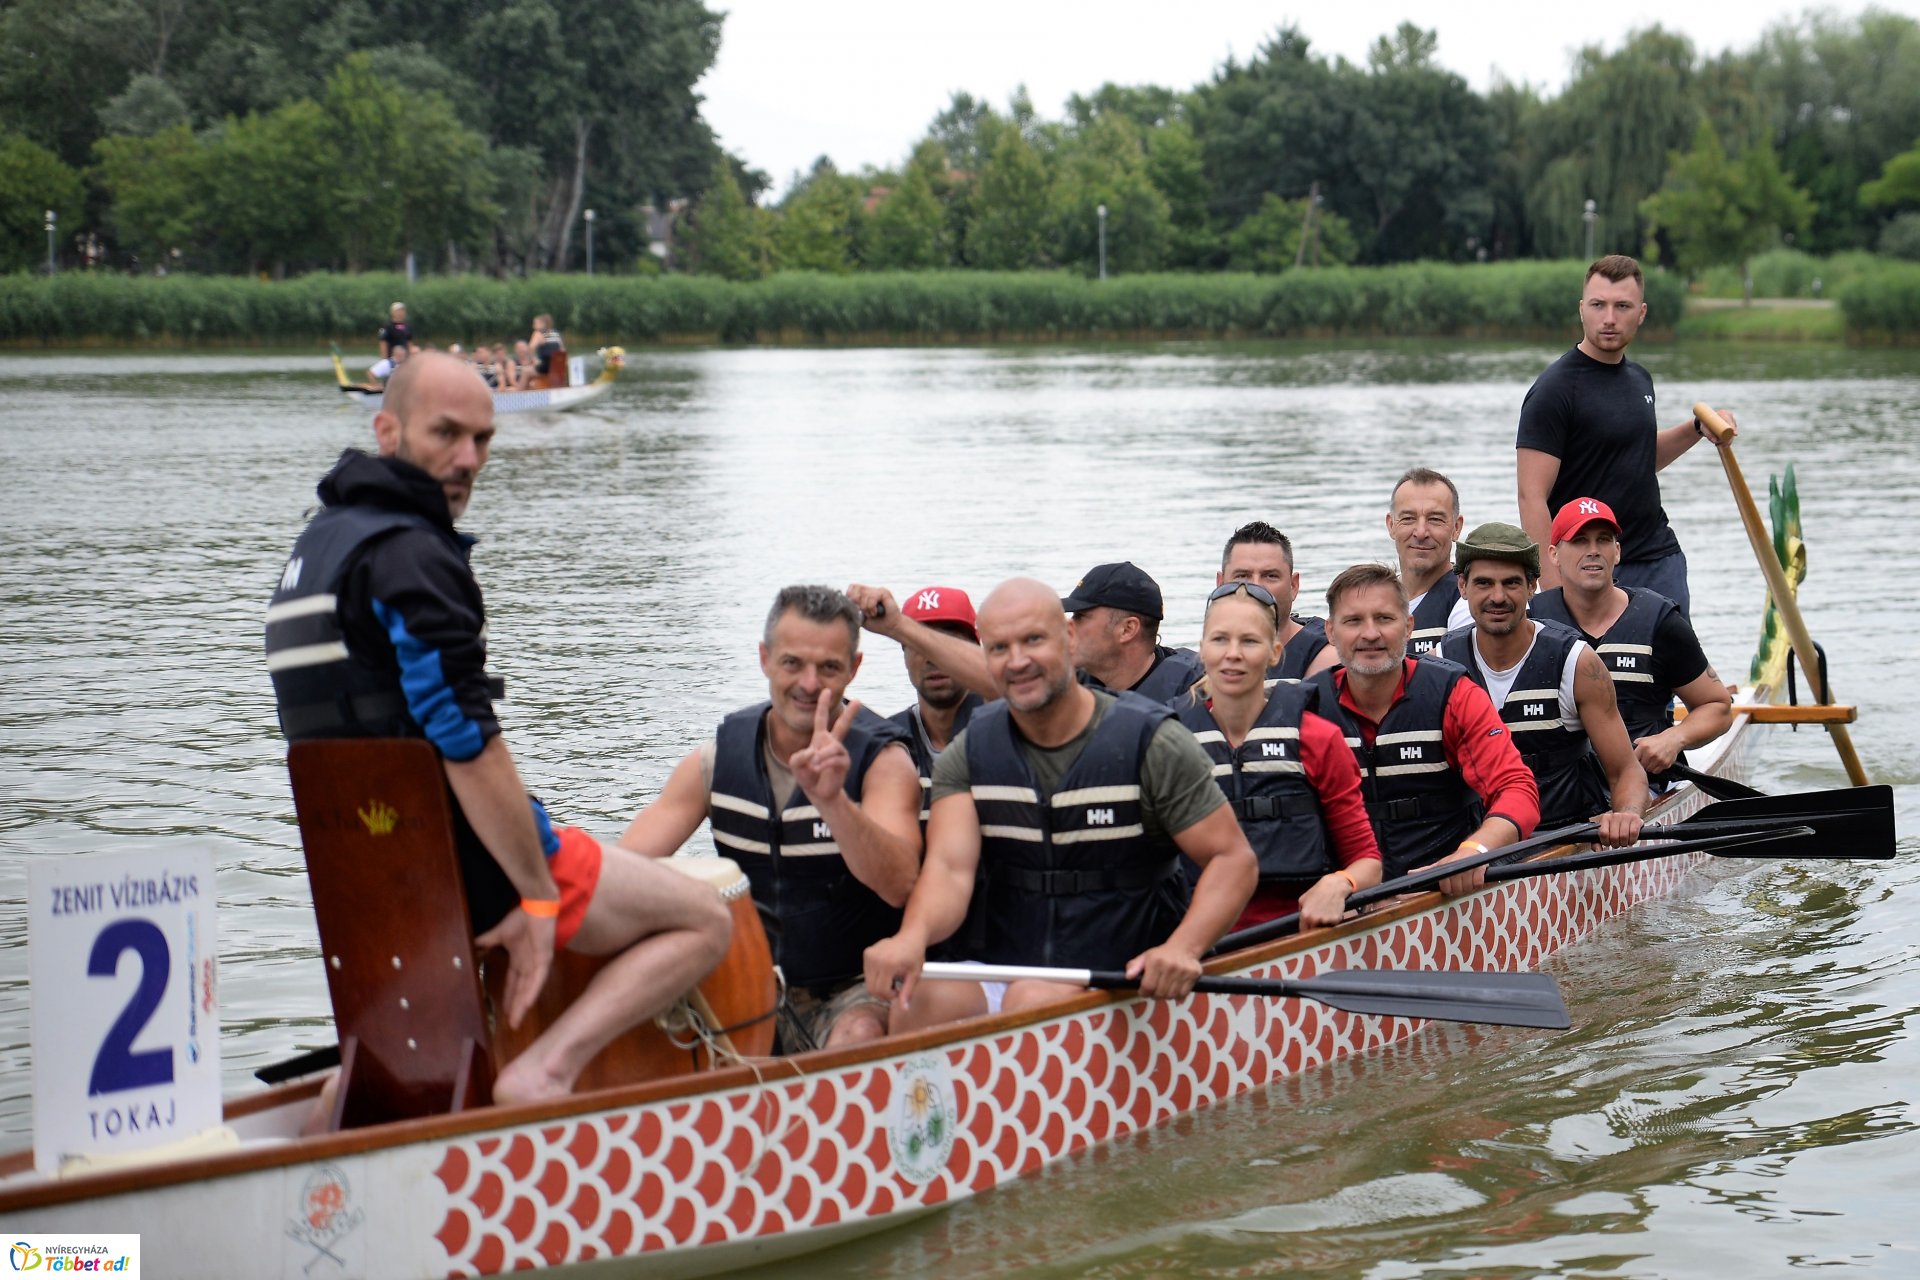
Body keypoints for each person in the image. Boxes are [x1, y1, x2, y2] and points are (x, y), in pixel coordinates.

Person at [265, 352, 730, 1105]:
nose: (467, 460)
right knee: (702, 921)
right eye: (445, 434)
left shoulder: (315, 549)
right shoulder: (413, 555)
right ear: (386, 430)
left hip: (364, 865)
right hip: (463, 863)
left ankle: (331, 1159)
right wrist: (536, 894)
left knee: (378, 1069)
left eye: (482, 439)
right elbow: (464, 741)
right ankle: (544, 1073)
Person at [862, 579, 1259, 1031]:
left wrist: (1183, 948)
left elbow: (1233, 860)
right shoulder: (970, 751)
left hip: (1127, 971)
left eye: (1033, 640)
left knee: (1032, 1000)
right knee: (919, 1003)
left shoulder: (1151, 742)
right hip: (1012, 964)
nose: (1018, 661)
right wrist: (911, 938)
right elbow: (949, 870)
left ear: (1069, 639)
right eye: (999, 648)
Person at [617, 585, 923, 1052]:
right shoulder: (717, 761)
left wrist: (834, 802)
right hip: (743, 977)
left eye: (828, 667)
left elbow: (901, 884)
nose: (808, 683)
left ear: (854, 669)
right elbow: (623, 868)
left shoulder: (884, 761)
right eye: (792, 663)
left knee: (859, 1035)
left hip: (852, 989)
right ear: (765, 658)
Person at [1516, 254, 1737, 614]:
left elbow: (1638, 457)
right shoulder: (1555, 389)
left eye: (1622, 306)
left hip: (1658, 558)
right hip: (1591, 566)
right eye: (1598, 305)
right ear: (1581, 309)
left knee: (1675, 669)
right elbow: (1531, 496)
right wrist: (1552, 593)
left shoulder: (1639, 379)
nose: (1609, 318)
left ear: (1642, 313)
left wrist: (1697, 428)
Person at [1309, 564, 1539, 897]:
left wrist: (1472, 853)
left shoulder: (1453, 694)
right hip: (1345, 891)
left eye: (1385, 619)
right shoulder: (1309, 707)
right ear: (1330, 632)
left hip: (1445, 885)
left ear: (1408, 627)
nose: (1370, 634)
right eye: (1353, 621)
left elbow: (1517, 789)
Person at [1176, 582, 1381, 930]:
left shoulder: (1318, 738)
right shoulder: (1169, 742)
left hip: (1296, 934)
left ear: (1274, 653)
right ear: (1202, 650)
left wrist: (1341, 883)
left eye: (1249, 641)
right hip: (1196, 939)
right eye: (1220, 640)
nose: (1233, 654)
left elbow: (1368, 864)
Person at [1440, 523, 1647, 842]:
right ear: (1463, 587)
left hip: (1567, 836)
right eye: (1484, 583)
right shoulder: (1442, 663)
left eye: (1511, 583)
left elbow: (1625, 771)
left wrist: (1627, 816)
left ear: (1532, 586)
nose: (1497, 597)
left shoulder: (1576, 662)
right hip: (1476, 846)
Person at [1529, 497, 1733, 787]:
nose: (1593, 551)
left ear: (1617, 552)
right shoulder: (1531, 622)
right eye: (1579, 541)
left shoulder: (1660, 623)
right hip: (1558, 792)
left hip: (1644, 784)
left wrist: (1674, 739)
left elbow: (1718, 706)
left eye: (1603, 540)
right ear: (1553, 554)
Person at [843, 584, 987, 826]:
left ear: (973, 650)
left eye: (945, 643)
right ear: (903, 653)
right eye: (918, 643)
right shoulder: (885, 743)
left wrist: (898, 625)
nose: (932, 657)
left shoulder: (1012, 724)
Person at [1060, 561, 1204, 705]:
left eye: (1080, 617)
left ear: (1127, 629)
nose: (1068, 626)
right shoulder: (1066, 686)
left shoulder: (1195, 691)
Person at [1216, 521, 1340, 682]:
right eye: (1242, 576)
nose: (1256, 587)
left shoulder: (1327, 659)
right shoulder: (1203, 664)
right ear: (1220, 584)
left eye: (1270, 576)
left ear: (1293, 586)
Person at [1387, 467, 1473, 657]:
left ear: (1456, 528)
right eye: (1408, 519)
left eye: (1435, 520)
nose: (1421, 532)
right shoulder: (1371, 598)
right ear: (1391, 525)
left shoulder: (1469, 601)